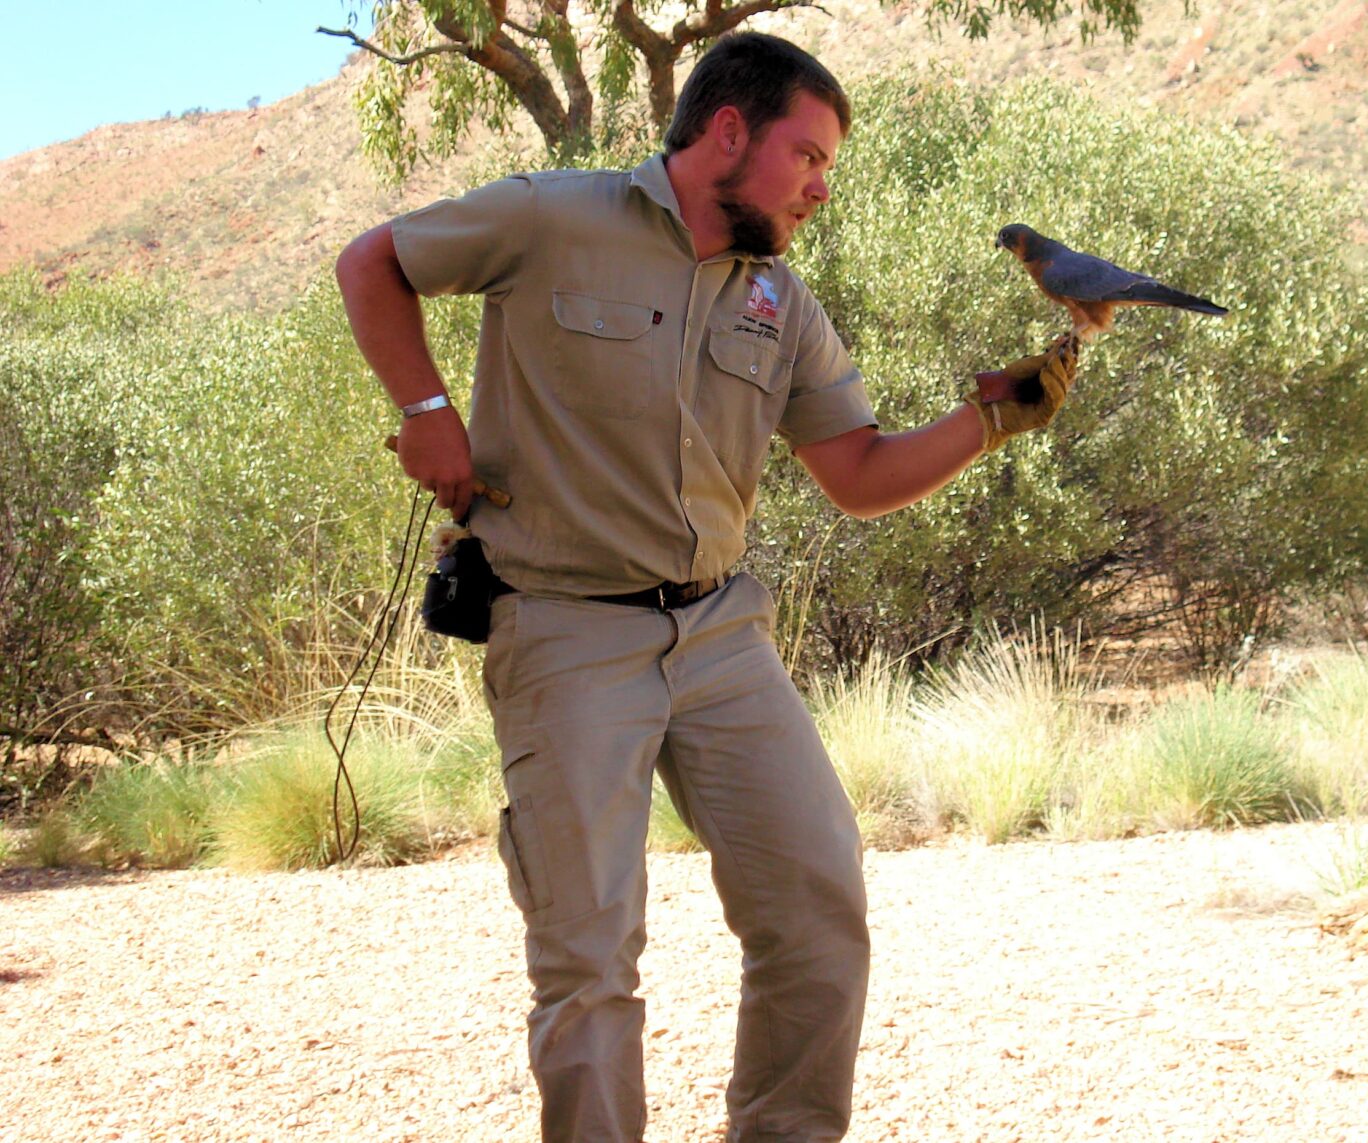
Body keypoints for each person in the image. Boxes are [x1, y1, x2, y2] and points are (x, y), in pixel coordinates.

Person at [335, 31, 1074, 1143]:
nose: (822, 188)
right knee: (587, 958)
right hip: (567, 631)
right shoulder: (551, 218)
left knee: (818, 909)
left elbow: (860, 477)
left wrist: (989, 420)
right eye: (809, 156)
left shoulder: (782, 304)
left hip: (724, 637)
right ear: (729, 131)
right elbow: (372, 261)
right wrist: (427, 412)